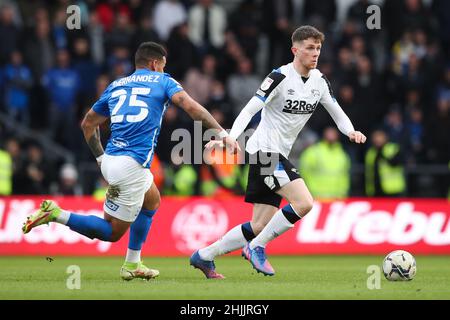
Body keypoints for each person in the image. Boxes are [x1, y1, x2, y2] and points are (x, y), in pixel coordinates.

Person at [22, 42, 238, 281]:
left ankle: (133, 263)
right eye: (163, 66)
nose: (164, 71)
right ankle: (56, 214)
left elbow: (87, 124)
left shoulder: (116, 85)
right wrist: (222, 133)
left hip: (112, 159)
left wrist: (100, 157)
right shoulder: (163, 82)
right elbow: (190, 107)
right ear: (155, 64)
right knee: (111, 232)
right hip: (132, 166)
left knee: (152, 198)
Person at [190, 26, 366, 278]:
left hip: (279, 154)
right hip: (264, 152)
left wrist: (350, 131)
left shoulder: (319, 82)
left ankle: (204, 256)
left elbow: (337, 112)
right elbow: (251, 109)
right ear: (295, 50)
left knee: (259, 224)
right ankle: (257, 247)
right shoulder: (279, 77)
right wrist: (228, 136)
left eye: (318, 48)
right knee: (304, 203)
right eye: (309, 48)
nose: (315, 53)